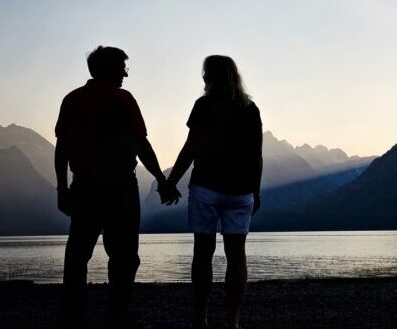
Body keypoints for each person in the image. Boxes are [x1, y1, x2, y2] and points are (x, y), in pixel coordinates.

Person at [54, 45, 175, 328]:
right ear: (109, 69)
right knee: (124, 256)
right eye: (122, 67)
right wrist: (161, 179)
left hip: (83, 188)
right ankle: (117, 315)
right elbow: (141, 144)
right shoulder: (123, 100)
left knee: (77, 255)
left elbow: (62, 149)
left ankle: (74, 316)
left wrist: (62, 189)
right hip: (120, 188)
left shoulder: (72, 100)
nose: (125, 73)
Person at [164, 55, 263, 329]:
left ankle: (201, 318)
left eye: (206, 73)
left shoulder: (204, 106)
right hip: (241, 190)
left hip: (206, 187)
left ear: (212, 77)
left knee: (203, 253)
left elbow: (191, 148)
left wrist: (171, 181)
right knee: (236, 255)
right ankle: (233, 321)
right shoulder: (249, 109)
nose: (203, 78)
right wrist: (255, 191)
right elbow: (256, 157)